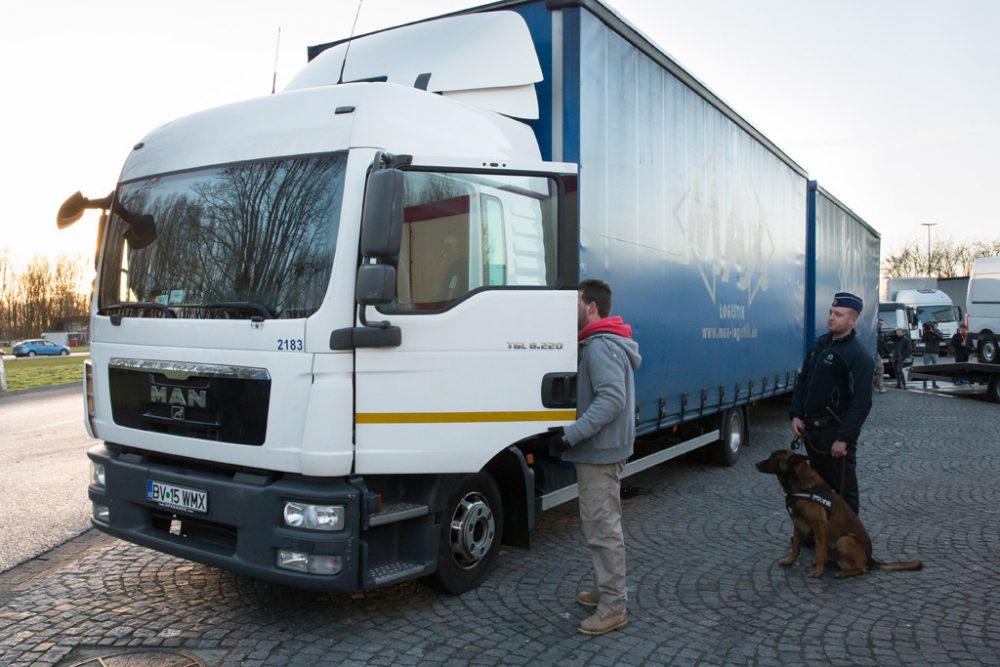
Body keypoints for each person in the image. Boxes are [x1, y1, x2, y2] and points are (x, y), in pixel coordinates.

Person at [545, 279, 641, 636]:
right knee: (601, 524)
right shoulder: (603, 342)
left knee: (603, 529)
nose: (572, 310)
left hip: (600, 452)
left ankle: (614, 607)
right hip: (603, 451)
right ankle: (606, 589)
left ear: (591, 307)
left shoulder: (600, 346)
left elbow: (611, 400)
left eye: (576, 302)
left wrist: (571, 433)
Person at [789, 292, 874, 516]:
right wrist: (796, 414)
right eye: (831, 312)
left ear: (852, 320)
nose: (831, 317)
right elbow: (803, 381)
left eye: (838, 314)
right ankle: (817, 534)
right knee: (816, 487)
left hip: (835, 434)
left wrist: (844, 438)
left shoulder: (859, 356)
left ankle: (848, 537)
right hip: (812, 432)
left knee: (844, 491)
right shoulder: (819, 346)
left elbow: (861, 403)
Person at [920, 322, 942, 389]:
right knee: (926, 368)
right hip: (927, 352)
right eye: (932, 326)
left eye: (934, 326)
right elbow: (923, 340)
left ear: (936, 326)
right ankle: (924, 383)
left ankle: (934, 383)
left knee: (934, 368)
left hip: (935, 352)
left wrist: (933, 332)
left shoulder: (938, 332)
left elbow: (940, 338)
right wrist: (925, 332)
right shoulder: (927, 332)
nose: (933, 327)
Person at [873, 318, 888, 394]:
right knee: (877, 369)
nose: (881, 325)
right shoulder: (874, 332)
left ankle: (879, 386)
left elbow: (882, 344)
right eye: (879, 324)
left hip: (877, 352)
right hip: (873, 352)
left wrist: (888, 352)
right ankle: (877, 386)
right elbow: (881, 343)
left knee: (879, 369)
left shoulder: (879, 332)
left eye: (882, 324)